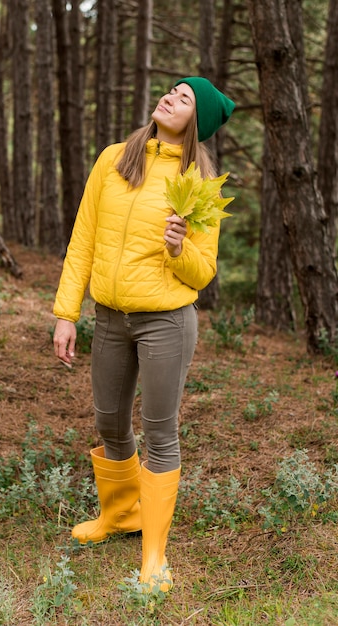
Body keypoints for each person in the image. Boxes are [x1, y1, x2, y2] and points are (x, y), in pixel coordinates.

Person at [53, 76, 235, 593]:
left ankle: (154, 555)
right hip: (110, 316)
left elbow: (203, 273)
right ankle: (120, 516)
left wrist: (179, 249)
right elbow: (83, 237)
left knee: (160, 434)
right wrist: (67, 313)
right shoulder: (115, 157)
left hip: (166, 321)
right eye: (170, 90)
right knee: (110, 422)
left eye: (183, 98)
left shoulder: (199, 182)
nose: (168, 98)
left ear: (196, 121)